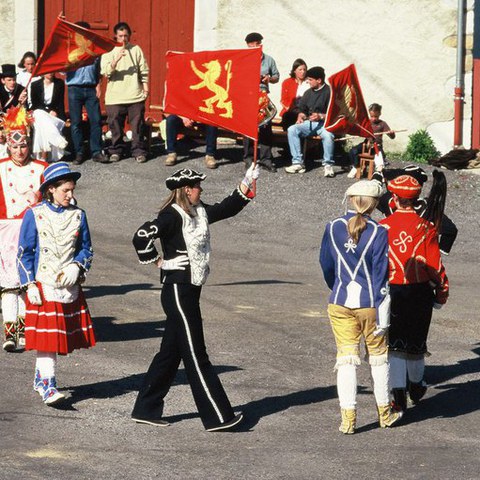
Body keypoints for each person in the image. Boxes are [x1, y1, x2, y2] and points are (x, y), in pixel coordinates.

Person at [131, 164, 259, 431]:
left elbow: (227, 208)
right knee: (196, 353)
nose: (201, 188)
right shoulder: (171, 215)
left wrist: (246, 181)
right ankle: (218, 417)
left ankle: (145, 408)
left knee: (169, 354)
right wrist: (158, 262)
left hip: (191, 291)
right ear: (187, 190)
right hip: (177, 293)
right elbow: (141, 236)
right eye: (198, 185)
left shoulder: (199, 211)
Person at [320, 180, 402, 434]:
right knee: (378, 360)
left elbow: (326, 264)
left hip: (340, 301)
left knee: (346, 360)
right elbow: (380, 274)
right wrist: (380, 305)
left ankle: (348, 420)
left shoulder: (333, 227)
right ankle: (385, 414)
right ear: (374, 204)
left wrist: (337, 286)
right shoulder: (379, 231)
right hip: (370, 303)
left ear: (351, 199)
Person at [17, 162, 95, 406]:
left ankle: (42, 379)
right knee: (47, 341)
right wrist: (29, 284)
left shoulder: (79, 215)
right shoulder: (34, 214)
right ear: (51, 189)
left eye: (72, 190)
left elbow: (87, 248)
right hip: (43, 284)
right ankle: (48, 385)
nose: (70, 195)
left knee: (57, 339)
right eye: (65, 191)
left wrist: (78, 266)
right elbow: (24, 253)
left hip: (68, 287)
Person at [379, 175, 449, 413]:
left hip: (392, 291)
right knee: (416, 343)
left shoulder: (382, 227)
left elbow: (377, 265)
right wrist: (441, 293)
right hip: (420, 293)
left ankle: (398, 396)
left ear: (395, 198)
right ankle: (416, 386)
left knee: (396, 345)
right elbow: (436, 266)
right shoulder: (427, 227)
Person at [0, 106, 47, 351]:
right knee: (8, 283)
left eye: (24, 145)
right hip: (6, 230)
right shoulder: (0, 166)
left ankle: (26, 330)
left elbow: (54, 197)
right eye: (15, 146)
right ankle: (10, 332)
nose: (19, 151)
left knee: (28, 281)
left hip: (32, 230)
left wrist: (38, 194)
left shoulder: (41, 168)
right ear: (8, 145)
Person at [374, 164, 458, 255]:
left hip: (392, 255)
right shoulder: (427, 207)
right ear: (419, 189)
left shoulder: (388, 200)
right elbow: (451, 230)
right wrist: (433, 251)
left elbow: (373, 191)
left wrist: (378, 174)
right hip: (417, 259)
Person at [101, 21, 149, 164]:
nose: (124, 39)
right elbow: (105, 72)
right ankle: (116, 150)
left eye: (126, 36)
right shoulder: (108, 51)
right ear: (115, 36)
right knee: (115, 125)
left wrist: (146, 88)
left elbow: (143, 70)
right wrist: (116, 59)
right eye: (120, 36)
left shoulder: (136, 49)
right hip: (115, 96)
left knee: (137, 126)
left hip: (134, 94)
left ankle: (138, 151)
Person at [66, 21, 108, 165]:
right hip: (74, 88)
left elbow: (98, 70)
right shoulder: (68, 49)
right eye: (81, 31)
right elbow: (61, 68)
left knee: (96, 120)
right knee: (76, 122)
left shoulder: (94, 49)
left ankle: (96, 151)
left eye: (86, 31)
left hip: (90, 87)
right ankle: (79, 152)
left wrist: (98, 84)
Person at [284, 66, 335, 177]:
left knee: (328, 136)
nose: (308, 81)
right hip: (309, 123)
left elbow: (335, 114)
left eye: (310, 79)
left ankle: (328, 165)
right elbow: (302, 110)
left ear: (319, 80)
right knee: (292, 129)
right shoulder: (308, 93)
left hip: (324, 124)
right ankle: (298, 163)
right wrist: (301, 116)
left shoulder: (330, 92)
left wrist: (321, 116)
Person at [243, 32, 279, 173]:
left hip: (263, 96)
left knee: (265, 128)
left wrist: (268, 79)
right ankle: (249, 159)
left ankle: (266, 159)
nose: (256, 46)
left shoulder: (269, 60)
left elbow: (276, 76)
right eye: (252, 44)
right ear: (248, 46)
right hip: (248, 96)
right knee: (247, 129)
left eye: (258, 43)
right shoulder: (243, 59)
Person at [347, 103, 396, 179]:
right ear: (369, 113)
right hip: (366, 144)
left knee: (380, 157)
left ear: (380, 113)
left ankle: (379, 173)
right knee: (353, 151)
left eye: (376, 116)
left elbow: (392, 137)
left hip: (377, 145)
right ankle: (356, 167)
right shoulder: (367, 122)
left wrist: (391, 133)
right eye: (372, 116)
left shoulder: (382, 124)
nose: (373, 118)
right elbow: (359, 130)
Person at [30, 73, 68, 162]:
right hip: (38, 111)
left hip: (53, 115)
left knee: (42, 127)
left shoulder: (59, 83)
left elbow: (60, 103)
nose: (50, 73)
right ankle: (57, 140)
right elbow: (35, 104)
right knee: (40, 115)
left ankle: (42, 157)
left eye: (52, 71)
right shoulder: (35, 85)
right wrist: (48, 112)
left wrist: (63, 119)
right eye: (48, 71)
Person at [280, 58, 309, 131]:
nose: (303, 72)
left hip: (304, 111)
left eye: (304, 70)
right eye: (300, 70)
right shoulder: (287, 82)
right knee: (288, 116)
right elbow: (283, 100)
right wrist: (291, 109)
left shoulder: (309, 82)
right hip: (291, 111)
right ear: (294, 71)